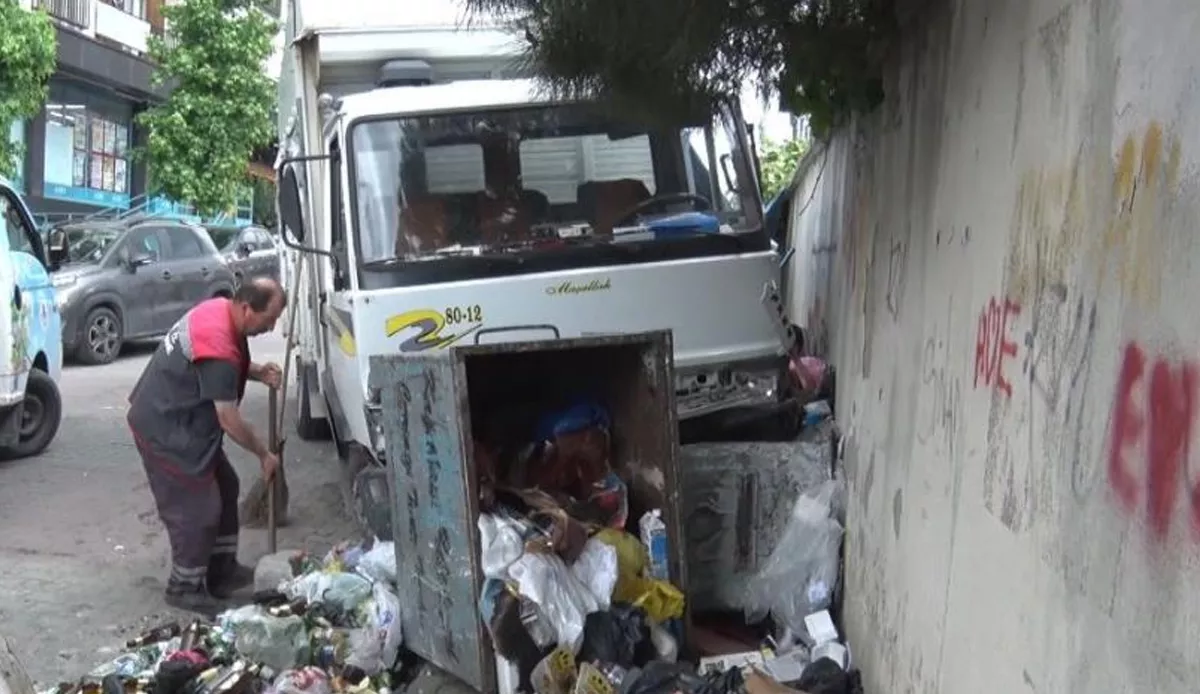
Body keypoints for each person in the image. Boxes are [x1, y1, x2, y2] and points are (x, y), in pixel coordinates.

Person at [127, 278, 287, 614]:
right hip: (166, 427)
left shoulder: (221, 311)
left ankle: (222, 572)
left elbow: (218, 369)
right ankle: (184, 586)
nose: (271, 328)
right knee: (198, 508)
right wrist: (264, 454)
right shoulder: (218, 340)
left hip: (186, 422)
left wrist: (257, 372)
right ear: (246, 308)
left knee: (227, 486)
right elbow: (228, 418)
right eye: (269, 319)